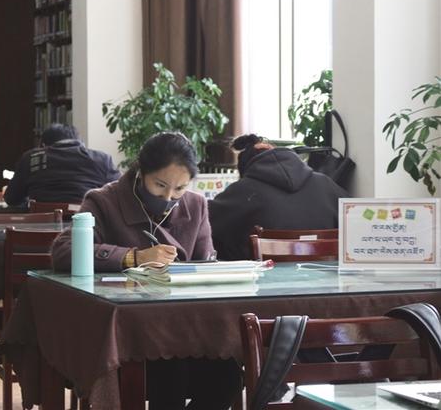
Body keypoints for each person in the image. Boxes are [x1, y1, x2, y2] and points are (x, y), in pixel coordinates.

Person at [52, 132, 241, 410]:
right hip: (128, 334)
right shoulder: (104, 201)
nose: (168, 197)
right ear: (141, 172)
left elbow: (205, 264)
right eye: (160, 185)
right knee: (169, 366)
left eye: (179, 188)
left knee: (229, 376)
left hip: (186, 326)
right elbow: (64, 251)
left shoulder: (196, 205)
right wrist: (133, 257)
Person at [208, 134, 348, 261]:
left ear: (246, 169)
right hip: (327, 278)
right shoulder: (327, 185)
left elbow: (204, 226)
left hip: (261, 279)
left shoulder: (241, 191)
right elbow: (355, 222)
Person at [2, 124, 120, 206]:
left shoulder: (31, 158)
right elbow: (121, 195)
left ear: (43, 146)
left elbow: (12, 199)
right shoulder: (101, 159)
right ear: (81, 143)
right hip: (88, 230)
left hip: (38, 229)